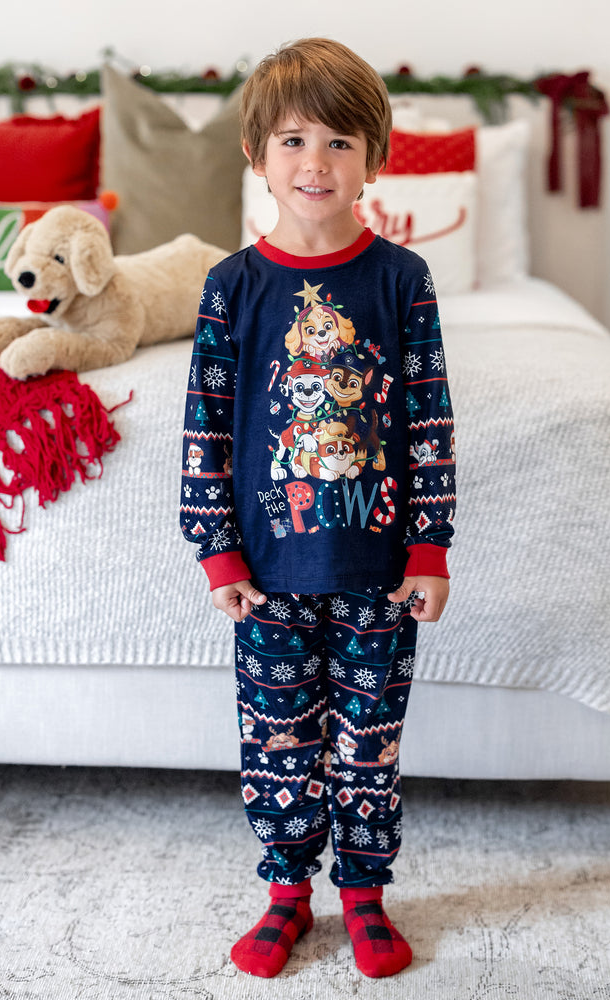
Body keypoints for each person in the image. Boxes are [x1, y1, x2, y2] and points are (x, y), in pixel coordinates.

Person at [180, 37, 456, 979]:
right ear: (257, 157)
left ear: (374, 159)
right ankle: (287, 894)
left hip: (380, 575)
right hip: (266, 584)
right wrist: (217, 553)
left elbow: (428, 423)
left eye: (340, 142)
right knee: (279, 744)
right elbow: (204, 434)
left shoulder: (400, 280)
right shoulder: (231, 287)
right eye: (293, 140)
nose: (315, 162)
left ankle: (367, 895)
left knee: (368, 749)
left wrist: (430, 550)